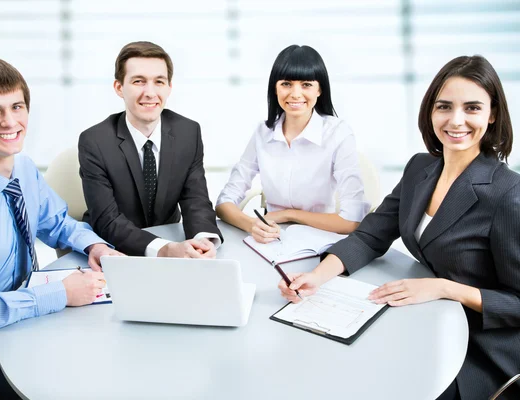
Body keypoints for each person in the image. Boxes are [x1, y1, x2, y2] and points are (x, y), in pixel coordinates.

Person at [278, 55, 520, 400]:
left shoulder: (507, 193)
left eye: (472, 108)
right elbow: (371, 233)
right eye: (444, 106)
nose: (456, 120)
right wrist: (318, 276)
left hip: (482, 349)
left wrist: (446, 288)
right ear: (430, 112)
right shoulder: (421, 168)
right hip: (427, 320)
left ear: (492, 114)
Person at [0, 57, 123, 399]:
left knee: (112, 354)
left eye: (17, 106)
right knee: (74, 386)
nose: (10, 121)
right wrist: (59, 294)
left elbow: (56, 223)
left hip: (27, 319)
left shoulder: (24, 170)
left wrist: (94, 246)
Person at [78, 41, 223, 257]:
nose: (150, 92)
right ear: (119, 88)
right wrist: (163, 249)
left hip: (172, 241)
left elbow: (196, 199)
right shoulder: (95, 141)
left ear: (169, 87)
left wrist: (204, 239)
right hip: (115, 249)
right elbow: (107, 220)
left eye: (159, 82)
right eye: (139, 81)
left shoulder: (188, 132)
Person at [216, 45, 370, 243]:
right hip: (270, 238)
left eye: (306, 84)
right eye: (286, 84)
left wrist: (289, 215)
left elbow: (352, 221)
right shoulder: (263, 133)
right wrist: (252, 225)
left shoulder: (338, 133)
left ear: (320, 89)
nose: (295, 94)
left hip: (319, 239)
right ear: (275, 87)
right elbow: (224, 202)